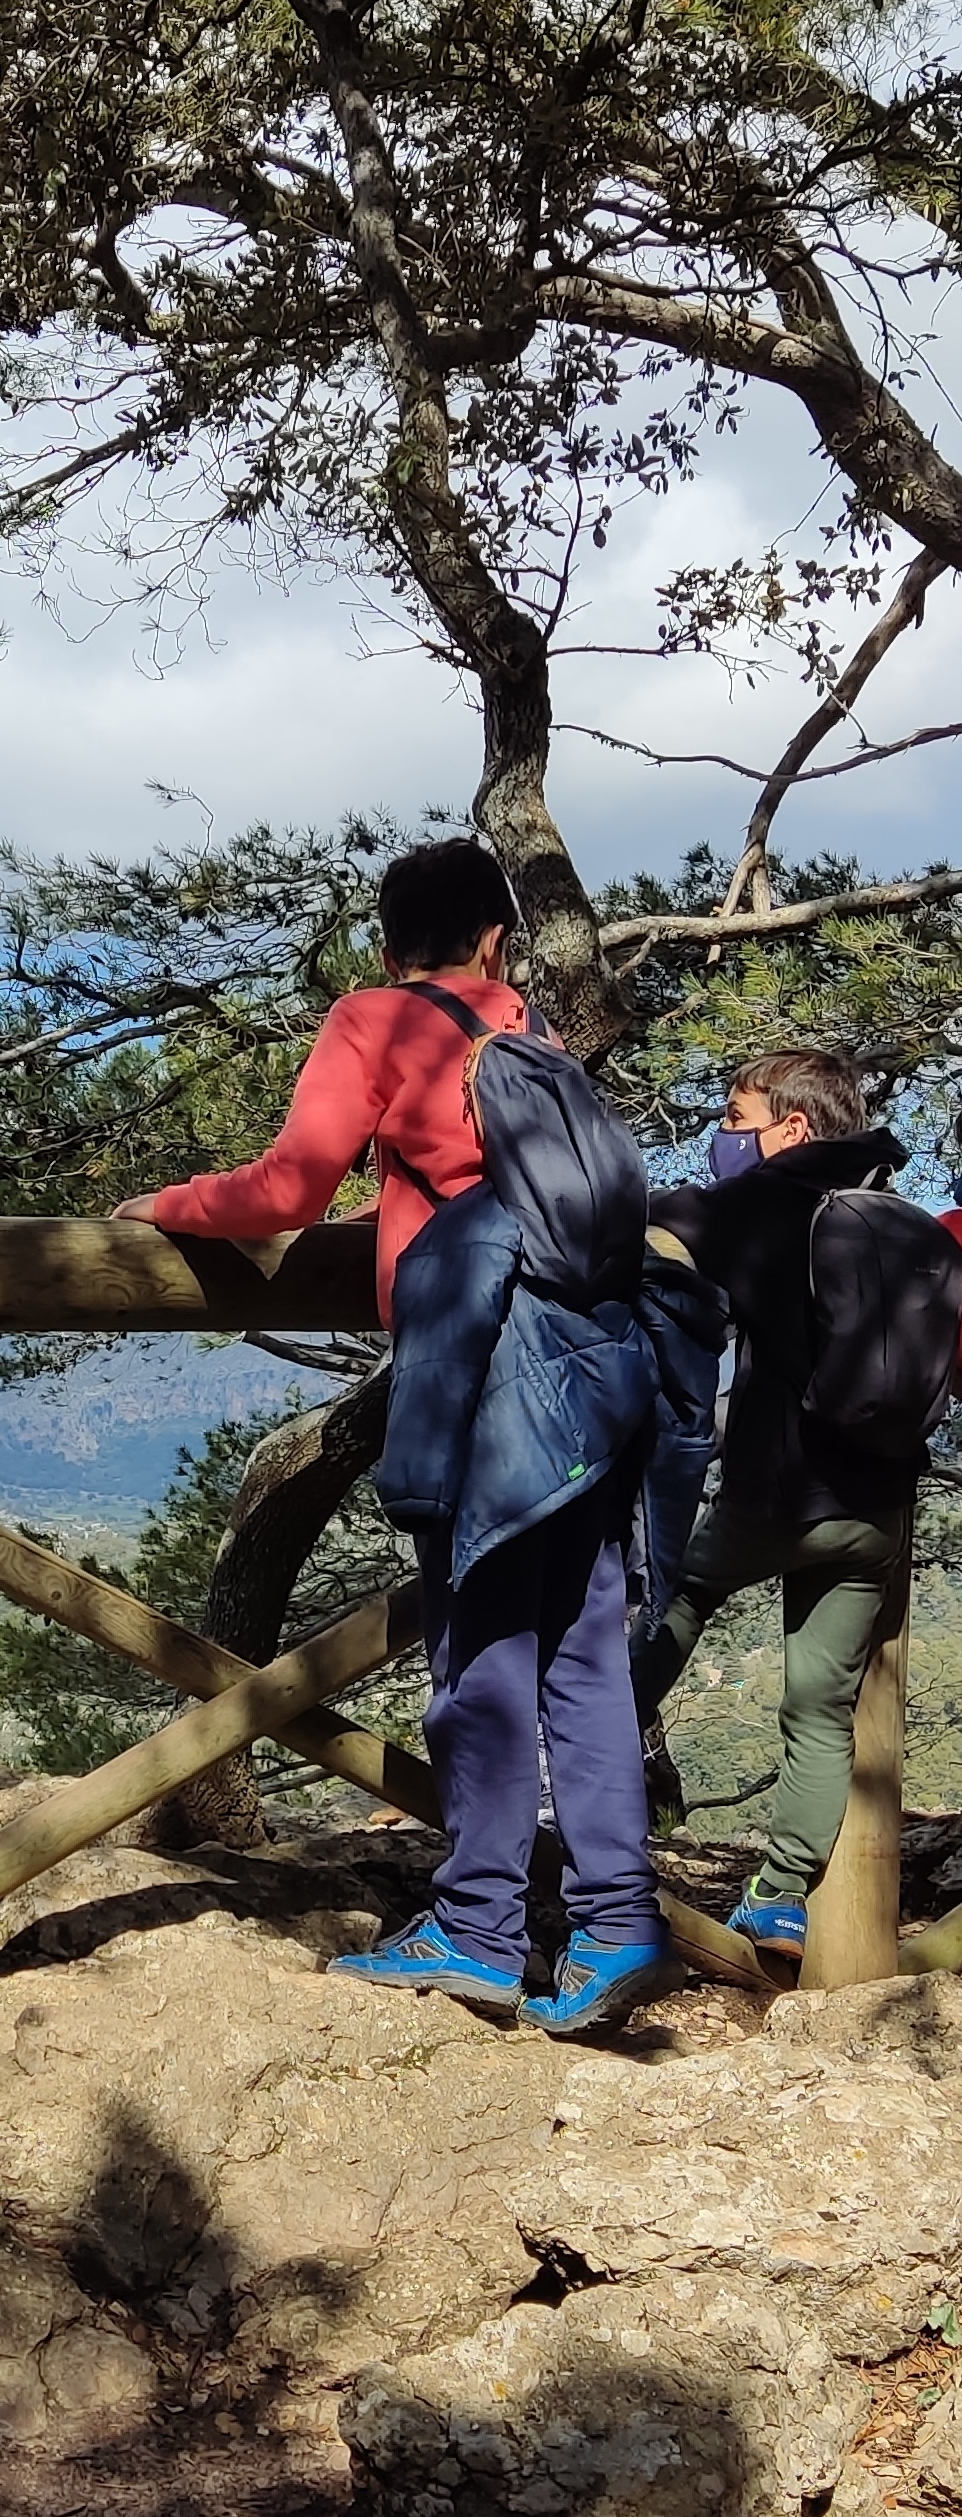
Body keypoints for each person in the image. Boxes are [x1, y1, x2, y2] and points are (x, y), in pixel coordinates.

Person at [115, 838, 684, 2037]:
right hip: (591, 1378)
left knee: (479, 1658)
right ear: (497, 942)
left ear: (392, 944)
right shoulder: (530, 1040)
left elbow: (283, 1192)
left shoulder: (375, 1018)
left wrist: (163, 1207)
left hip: (487, 1386)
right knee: (579, 1651)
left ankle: (479, 1930)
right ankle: (617, 1920)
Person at [635, 1050, 931, 1947]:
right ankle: (778, 1900)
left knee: (672, 1600)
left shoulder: (764, 1206)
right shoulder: (901, 1217)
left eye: (734, 1116)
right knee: (819, 1711)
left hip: (777, 1496)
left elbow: (639, 1224)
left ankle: (581, 1772)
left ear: (791, 1129)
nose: (721, 1136)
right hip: (875, 1512)